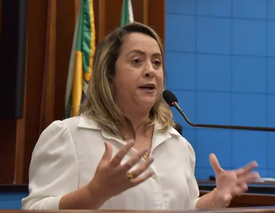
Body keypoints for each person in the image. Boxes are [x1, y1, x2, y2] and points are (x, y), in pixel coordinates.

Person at [21, 22, 260, 210]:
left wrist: (216, 199)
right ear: (109, 75)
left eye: (157, 63)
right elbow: (34, 209)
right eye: (137, 61)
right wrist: (95, 193)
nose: (150, 70)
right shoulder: (69, 136)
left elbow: (183, 208)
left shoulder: (178, 145)